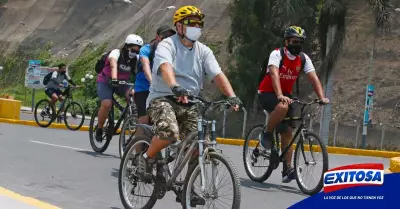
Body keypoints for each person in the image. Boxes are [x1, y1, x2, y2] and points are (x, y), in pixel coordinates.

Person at [137, 5, 242, 205]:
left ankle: (187, 187)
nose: (196, 27)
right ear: (179, 26)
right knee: (169, 132)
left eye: (198, 24)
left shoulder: (203, 51)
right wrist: (174, 86)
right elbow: (165, 67)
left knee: (200, 143)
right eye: (191, 23)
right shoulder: (167, 45)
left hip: (190, 101)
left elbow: (217, 74)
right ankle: (147, 157)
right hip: (163, 97)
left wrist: (232, 96)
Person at [257, 26, 330, 183]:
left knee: (288, 132)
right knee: (282, 107)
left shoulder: (303, 59)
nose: (297, 45)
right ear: (286, 41)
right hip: (267, 93)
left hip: (286, 96)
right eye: (294, 41)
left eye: (300, 42)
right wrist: (279, 95)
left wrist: (322, 97)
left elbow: (313, 78)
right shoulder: (277, 54)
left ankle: (287, 170)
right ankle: (267, 134)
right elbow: (274, 73)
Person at [95, 34, 143, 142]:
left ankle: (130, 117)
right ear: (126, 46)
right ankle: (99, 128)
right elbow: (113, 65)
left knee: (133, 95)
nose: (135, 53)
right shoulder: (116, 53)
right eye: (133, 50)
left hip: (122, 84)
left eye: (137, 51)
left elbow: (139, 72)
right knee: (107, 104)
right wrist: (114, 78)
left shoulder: (136, 59)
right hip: (105, 82)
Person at [134, 25, 176, 133]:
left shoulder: (172, 52)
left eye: (170, 38)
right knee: (144, 119)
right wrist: (152, 82)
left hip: (162, 90)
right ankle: (137, 149)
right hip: (143, 88)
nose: (167, 40)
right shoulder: (146, 49)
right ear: (157, 37)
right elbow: (146, 66)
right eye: (165, 37)